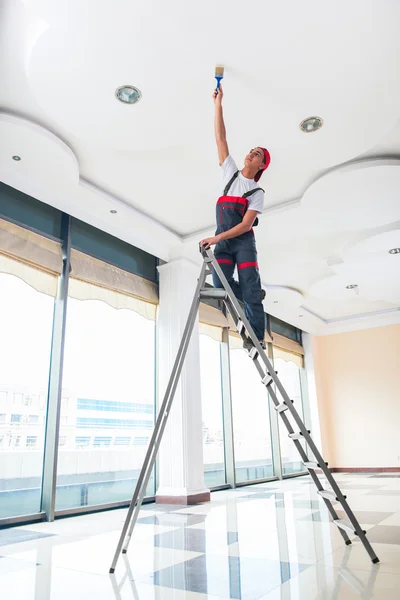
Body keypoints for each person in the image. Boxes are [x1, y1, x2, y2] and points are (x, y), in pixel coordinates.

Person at [200, 84, 270, 350]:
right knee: (221, 285)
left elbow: (245, 225)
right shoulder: (230, 174)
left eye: (258, 155)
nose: (252, 153)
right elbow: (221, 138)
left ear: (262, 166)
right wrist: (218, 105)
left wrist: (217, 237)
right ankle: (252, 295)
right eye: (253, 150)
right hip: (226, 242)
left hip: (242, 242)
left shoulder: (257, 191)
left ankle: (258, 339)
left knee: (248, 283)